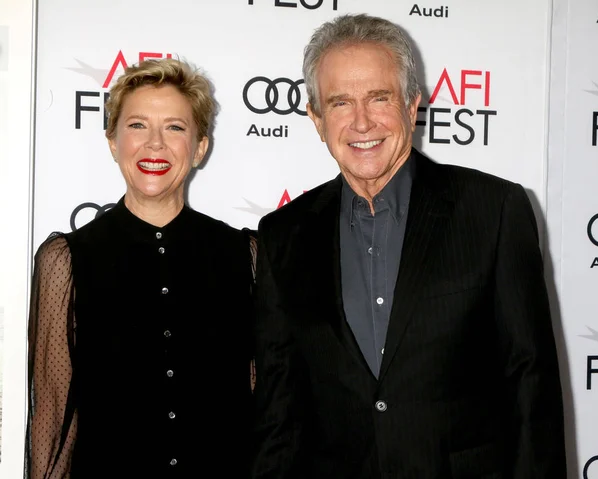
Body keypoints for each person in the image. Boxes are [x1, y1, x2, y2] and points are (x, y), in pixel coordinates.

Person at [251, 13, 567, 479]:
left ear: (412, 103)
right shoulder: (283, 234)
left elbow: (531, 386)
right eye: (340, 103)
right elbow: (278, 411)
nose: (361, 122)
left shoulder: (494, 210)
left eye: (379, 98)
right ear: (317, 119)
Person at [26, 58, 256, 478]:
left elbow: (263, 401)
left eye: (174, 127)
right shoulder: (67, 260)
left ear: (200, 146)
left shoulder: (245, 255)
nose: (155, 145)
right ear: (112, 141)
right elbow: (53, 412)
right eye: (136, 126)